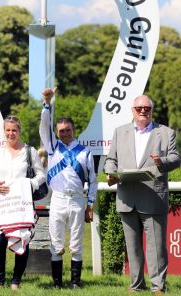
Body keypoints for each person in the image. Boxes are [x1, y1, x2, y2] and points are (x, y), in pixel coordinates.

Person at [104, 95, 180, 295]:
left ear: (152, 110)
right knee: (132, 247)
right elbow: (111, 159)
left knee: (156, 247)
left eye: (146, 108)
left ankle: (158, 287)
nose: (143, 111)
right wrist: (110, 173)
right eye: (139, 108)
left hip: (153, 197)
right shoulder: (121, 132)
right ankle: (136, 285)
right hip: (127, 197)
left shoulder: (166, 133)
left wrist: (161, 161)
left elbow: (175, 158)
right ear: (132, 110)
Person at [39, 88, 98, 289]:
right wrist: (47, 103)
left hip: (77, 199)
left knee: (76, 243)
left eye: (68, 130)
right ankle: (57, 284)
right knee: (56, 242)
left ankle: (75, 282)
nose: (64, 133)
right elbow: (44, 125)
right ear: (57, 132)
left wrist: (90, 205)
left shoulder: (85, 152)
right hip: (57, 199)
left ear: (74, 130)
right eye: (61, 130)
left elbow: (93, 181)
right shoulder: (52, 147)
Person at [0, 115, 46, 290]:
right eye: (8, 130)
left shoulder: (30, 151)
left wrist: (29, 185)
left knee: (22, 240)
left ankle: (16, 281)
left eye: (14, 130)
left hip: (22, 205)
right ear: (4, 132)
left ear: (19, 131)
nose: (11, 133)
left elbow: (41, 175)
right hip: (1, 205)